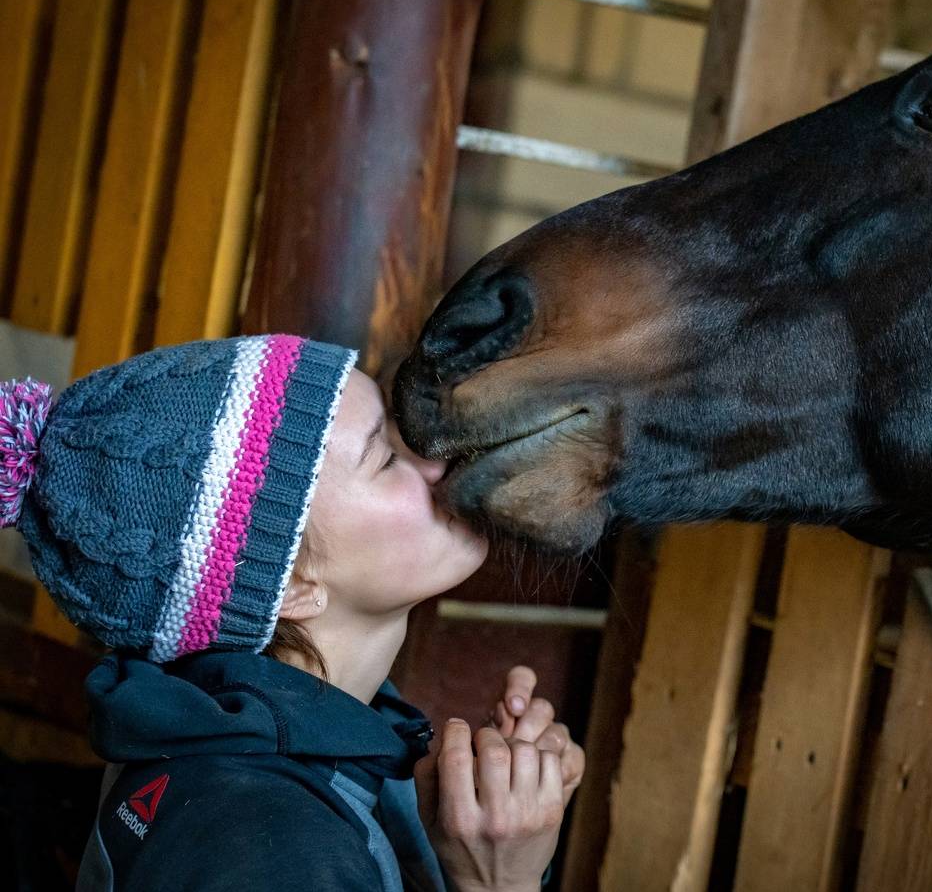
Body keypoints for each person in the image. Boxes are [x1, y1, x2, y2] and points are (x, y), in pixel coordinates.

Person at [1, 334, 584, 891]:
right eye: (385, 459)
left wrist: (482, 832)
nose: (436, 464)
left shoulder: (255, 756)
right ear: (291, 585)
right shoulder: (272, 848)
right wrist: (498, 881)